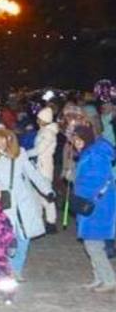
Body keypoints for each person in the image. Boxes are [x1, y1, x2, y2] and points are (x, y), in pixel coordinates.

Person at [0, 127, 54, 281]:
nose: (0, 142)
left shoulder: (20, 154)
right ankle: (6, 267)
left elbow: (33, 174)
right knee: (6, 237)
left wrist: (47, 190)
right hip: (4, 202)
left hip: (23, 200)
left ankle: (16, 269)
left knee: (24, 236)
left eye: (3, 138)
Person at [71, 125, 116, 292]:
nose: (76, 143)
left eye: (79, 140)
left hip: (98, 204)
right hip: (94, 204)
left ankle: (109, 279)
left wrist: (77, 186)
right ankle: (99, 278)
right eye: (74, 140)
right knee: (93, 243)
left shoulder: (95, 154)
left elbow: (95, 180)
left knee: (93, 244)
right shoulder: (91, 152)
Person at [31, 106, 59, 233]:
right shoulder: (44, 131)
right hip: (40, 166)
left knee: (46, 194)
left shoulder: (47, 134)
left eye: (39, 118)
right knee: (37, 194)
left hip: (44, 167)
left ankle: (51, 222)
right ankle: (40, 221)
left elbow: (39, 150)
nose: (37, 120)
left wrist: (23, 154)